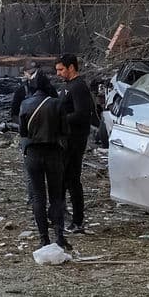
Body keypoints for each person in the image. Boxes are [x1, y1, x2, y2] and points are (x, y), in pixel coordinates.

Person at [17, 71, 67, 251]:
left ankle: (43, 238)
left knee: (38, 197)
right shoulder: (57, 104)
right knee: (56, 196)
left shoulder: (25, 103)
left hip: (33, 153)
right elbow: (64, 130)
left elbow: (22, 132)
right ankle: (59, 236)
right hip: (53, 152)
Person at [54, 53, 93, 234]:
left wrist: (61, 119)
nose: (58, 73)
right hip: (66, 140)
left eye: (61, 69)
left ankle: (77, 220)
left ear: (71, 67)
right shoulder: (67, 87)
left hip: (75, 141)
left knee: (72, 180)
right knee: (62, 180)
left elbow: (82, 114)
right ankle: (59, 216)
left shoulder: (78, 87)